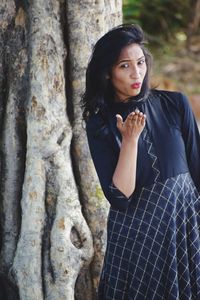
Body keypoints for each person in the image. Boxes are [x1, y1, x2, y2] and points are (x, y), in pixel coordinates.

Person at [82, 24, 200, 299]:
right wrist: (131, 141)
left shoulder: (175, 104)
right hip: (139, 238)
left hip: (183, 228)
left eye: (140, 62)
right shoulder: (100, 124)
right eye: (124, 66)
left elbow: (197, 168)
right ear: (108, 73)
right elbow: (121, 196)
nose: (136, 73)